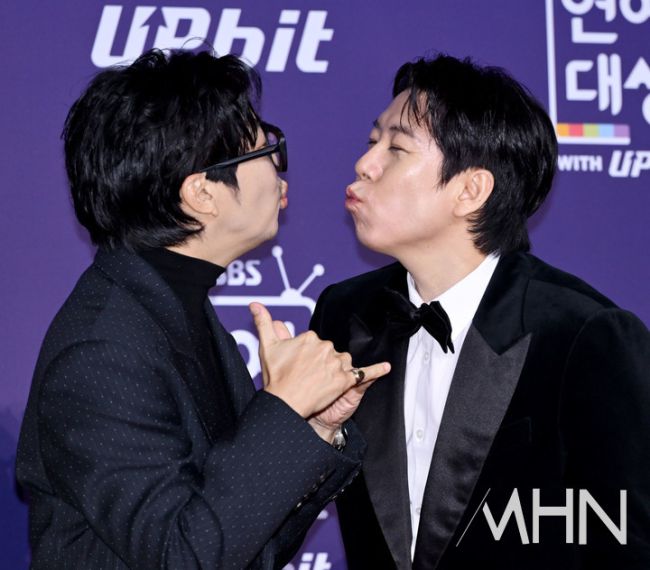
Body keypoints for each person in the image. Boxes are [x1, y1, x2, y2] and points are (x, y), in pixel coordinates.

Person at [16, 49, 388, 569]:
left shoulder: (177, 312)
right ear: (201, 194)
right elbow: (184, 557)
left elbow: (246, 546)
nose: (279, 168)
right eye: (264, 149)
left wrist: (314, 427)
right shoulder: (103, 353)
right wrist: (283, 409)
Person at [311, 54, 650, 569]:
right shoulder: (343, 314)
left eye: (396, 148)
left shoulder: (583, 334)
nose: (365, 163)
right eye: (372, 141)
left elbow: (627, 543)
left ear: (470, 190)